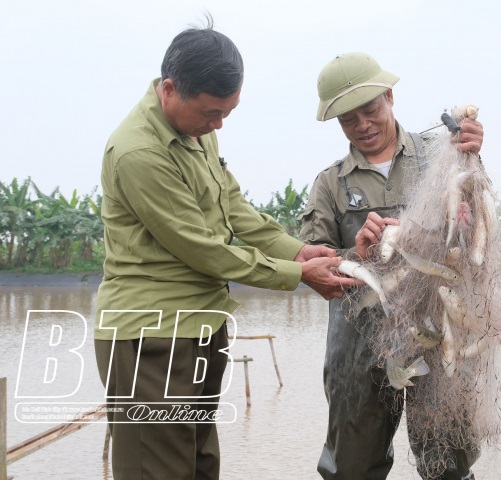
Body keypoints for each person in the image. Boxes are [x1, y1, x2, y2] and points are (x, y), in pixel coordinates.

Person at [94, 19, 358, 480]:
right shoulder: (139, 152)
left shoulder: (196, 130)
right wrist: (297, 275)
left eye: (226, 114)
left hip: (201, 325)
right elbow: (202, 249)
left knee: (200, 465)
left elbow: (233, 207)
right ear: (170, 89)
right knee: (158, 471)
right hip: (151, 338)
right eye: (211, 113)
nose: (217, 124)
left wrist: (297, 251)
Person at [299, 52, 485, 480]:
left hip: (441, 335)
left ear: (389, 97)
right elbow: (312, 268)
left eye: (370, 110)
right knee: (352, 466)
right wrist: (357, 255)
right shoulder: (330, 183)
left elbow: (475, 231)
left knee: (448, 463)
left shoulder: (443, 154)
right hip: (358, 345)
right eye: (348, 119)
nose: (362, 125)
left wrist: (473, 160)